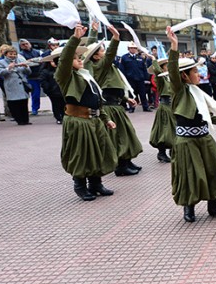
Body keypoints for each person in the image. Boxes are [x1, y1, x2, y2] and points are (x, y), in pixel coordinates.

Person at [165, 28, 216, 223]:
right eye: (195, 71)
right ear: (184, 76)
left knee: (214, 171)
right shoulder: (180, 92)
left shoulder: (199, 93)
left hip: (205, 138)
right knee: (190, 175)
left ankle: (214, 206)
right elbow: (172, 71)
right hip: (186, 141)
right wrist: (173, 46)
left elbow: (208, 116)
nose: (199, 74)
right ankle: (188, 209)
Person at [54, 24, 117, 201]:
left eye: (80, 57)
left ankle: (96, 184)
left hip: (94, 121)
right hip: (78, 121)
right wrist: (74, 39)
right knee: (81, 154)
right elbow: (64, 61)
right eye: (76, 58)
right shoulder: (65, 77)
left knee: (97, 153)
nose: (80, 60)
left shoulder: (86, 75)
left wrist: (105, 119)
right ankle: (80, 186)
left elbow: (97, 100)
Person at [84, 23, 143, 176]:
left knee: (127, 134)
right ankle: (120, 166)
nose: (105, 52)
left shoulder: (106, 66)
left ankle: (127, 161)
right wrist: (115, 38)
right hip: (109, 107)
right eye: (102, 50)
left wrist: (125, 98)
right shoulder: (98, 66)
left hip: (116, 103)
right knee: (118, 137)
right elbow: (94, 52)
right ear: (96, 56)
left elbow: (114, 86)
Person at [0, 45, 32, 126]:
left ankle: (26, 120)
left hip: (22, 85)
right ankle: (19, 120)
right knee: (14, 104)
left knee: (24, 103)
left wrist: (26, 67)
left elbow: (28, 72)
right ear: (6, 54)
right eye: (10, 54)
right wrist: (8, 68)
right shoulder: (0, 62)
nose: (13, 55)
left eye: (14, 54)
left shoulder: (20, 60)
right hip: (11, 85)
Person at [149, 58, 175, 163]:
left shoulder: (170, 78)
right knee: (164, 131)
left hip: (173, 106)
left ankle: (173, 151)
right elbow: (157, 72)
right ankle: (161, 153)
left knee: (173, 130)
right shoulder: (160, 79)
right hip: (165, 106)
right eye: (166, 65)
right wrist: (154, 61)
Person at [119, 43, 152, 112]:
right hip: (130, 79)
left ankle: (145, 107)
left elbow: (144, 69)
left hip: (140, 79)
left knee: (143, 94)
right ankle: (132, 107)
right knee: (132, 94)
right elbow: (122, 69)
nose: (133, 49)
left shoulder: (139, 58)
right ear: (128, 49)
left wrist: (146, 78)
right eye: (131, 48)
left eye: (134, 48)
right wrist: (124, 79)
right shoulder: (124, 58)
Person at [39, 47, 65, 124]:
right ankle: (58, 117)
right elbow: (43, 81)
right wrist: (48, 89)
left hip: (62, 90)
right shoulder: (45, 71)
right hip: (53, 92)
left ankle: (64, 116)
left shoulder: (61, 70)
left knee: (63, 104)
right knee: (56, 105)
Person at [19, 39, 43, 115]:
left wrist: (31, 61)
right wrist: (35, 61)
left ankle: (35, 108)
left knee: (38, 94)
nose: (25, 45)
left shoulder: (38, 52)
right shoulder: (20, 55)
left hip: (39, 75)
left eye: (26, 43)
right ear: (21, 46)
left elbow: (42, 61)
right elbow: (25, 64)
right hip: (29, 77)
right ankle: (33, 109)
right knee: (32, 94)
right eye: (23, 44)